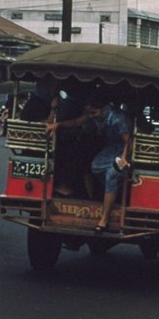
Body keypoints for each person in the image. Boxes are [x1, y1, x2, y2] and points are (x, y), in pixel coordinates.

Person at [47, 94, 132, 232]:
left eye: (94, 112)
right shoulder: (94, 115)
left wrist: (123, 159)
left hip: (123, 150)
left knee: (112, 174)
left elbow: (128, 141)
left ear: (103, 108)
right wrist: (58, 125)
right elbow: (76, 122)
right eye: (89, 113)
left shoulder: (117, 118)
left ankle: (103, 220)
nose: (91, 116)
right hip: (110, 149)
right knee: (95, 167)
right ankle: (113, 191)